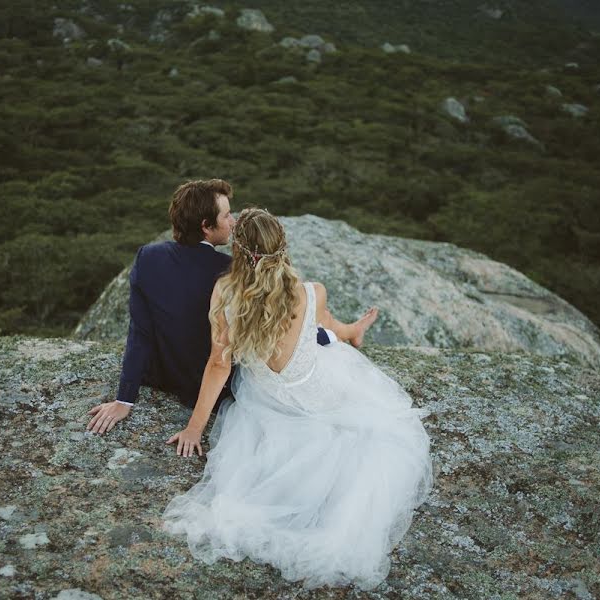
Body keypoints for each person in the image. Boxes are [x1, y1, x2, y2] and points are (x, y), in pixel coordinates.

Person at [162, 208, 433, 591]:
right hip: (320, 391)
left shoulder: (226, 293)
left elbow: (218, 365)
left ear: (239, 251)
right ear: (283, 249)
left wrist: (195, 427)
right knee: (344, 373)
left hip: (269, 401)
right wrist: (350, 331)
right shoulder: (311, 292)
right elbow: (326, 324)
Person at [86, 181, 376, 434]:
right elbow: (229, 355)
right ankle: (344, 332)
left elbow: (140, 333)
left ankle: (346, 331)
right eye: (226, 215)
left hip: (166, 377)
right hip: (226, 385)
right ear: (206, 226)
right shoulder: (235, 278)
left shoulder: (148, 257)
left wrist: (125, 400)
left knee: (310, 320)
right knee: (308, 323)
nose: (233, 221)